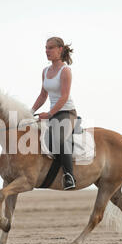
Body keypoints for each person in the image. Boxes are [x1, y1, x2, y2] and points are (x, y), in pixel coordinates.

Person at [31, 37, 77, 190]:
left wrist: (49, 114)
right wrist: (30, 112)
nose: (47, 51)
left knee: (58, 139)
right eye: (46, 48)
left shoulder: (65, 71)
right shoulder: (45, 71)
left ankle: (69, 176)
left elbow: (64, 97)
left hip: (66, 112)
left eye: (50, 48)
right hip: (52, 113)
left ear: (60, 49)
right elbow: (43, 95)